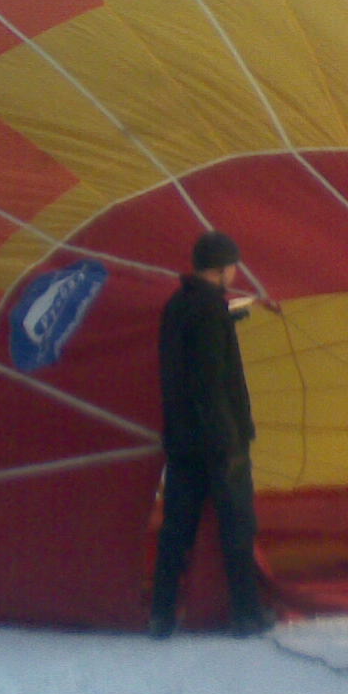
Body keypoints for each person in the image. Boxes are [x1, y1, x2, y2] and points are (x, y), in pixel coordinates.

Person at [148, 230, 275, 639]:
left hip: (181, 441)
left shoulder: (176, 306)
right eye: (233, 266)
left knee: (176, 530)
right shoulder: (210, 311)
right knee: (237, 527)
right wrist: (229, 443)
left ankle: (162, 613)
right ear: (222, 268)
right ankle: (246, 613)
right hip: (218, 444)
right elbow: (212, 383)